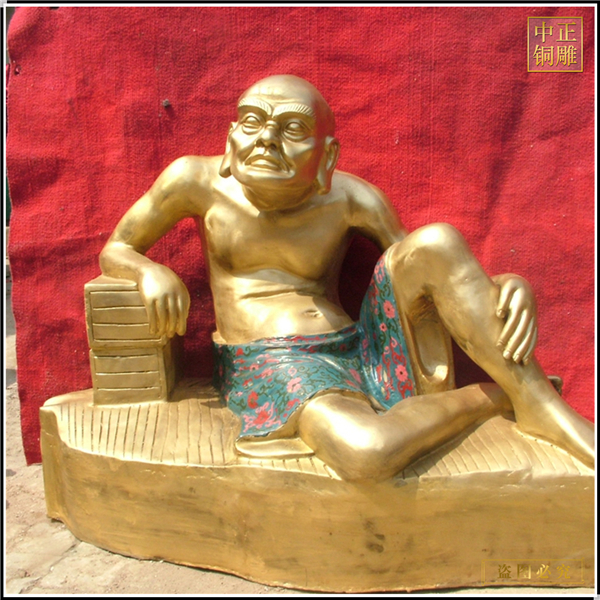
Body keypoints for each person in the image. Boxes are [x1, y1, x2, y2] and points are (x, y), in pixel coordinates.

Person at [100, 74, 594, 480]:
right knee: (366, 451)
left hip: (362, 350)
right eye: (252, 122)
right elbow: (116, 247)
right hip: (273, 363)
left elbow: (429, 272)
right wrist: (148, 270)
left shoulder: (351, 198)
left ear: (328, 155)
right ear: (230, 138)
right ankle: (490, 396)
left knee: (439, 239)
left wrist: (504, 288)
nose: (266, 139)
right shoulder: (194, 181)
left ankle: (540, 406)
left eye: (292, 128)